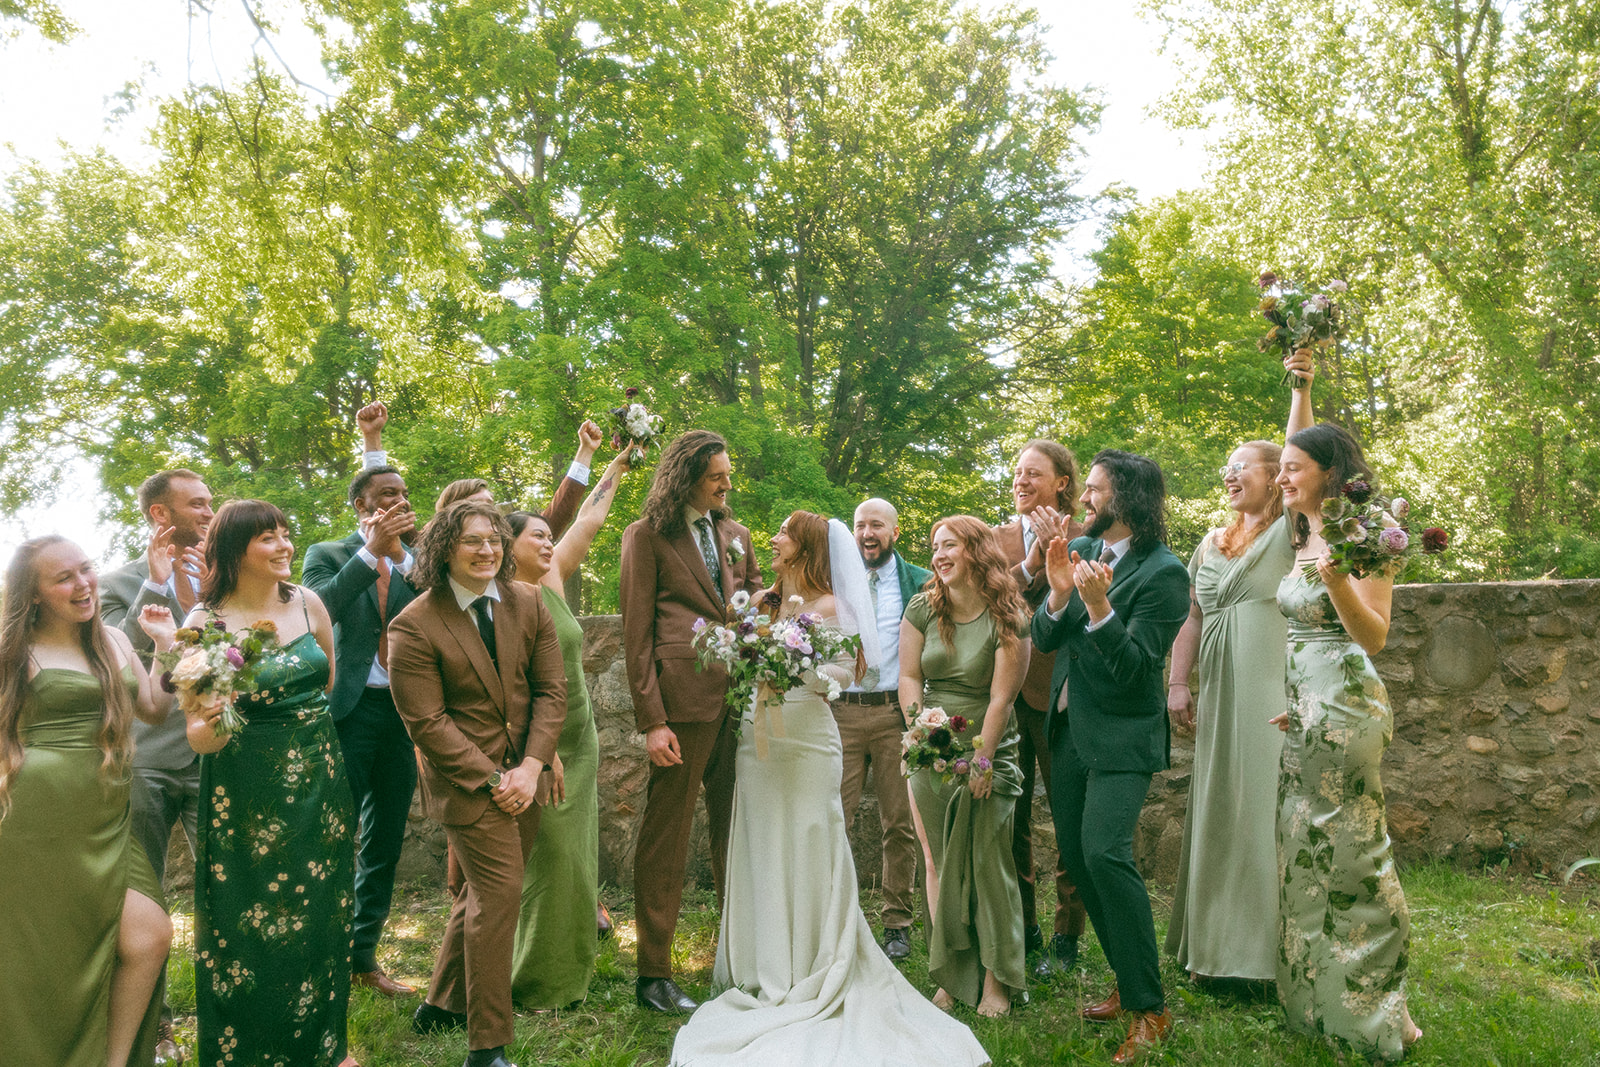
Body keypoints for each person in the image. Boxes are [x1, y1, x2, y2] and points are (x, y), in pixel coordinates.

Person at [669, 512, 988, 1067]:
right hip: (756, 738)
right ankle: (760, 960)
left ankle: (817, 957)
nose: (772, 539)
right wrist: (747, 656)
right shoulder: (760, 603)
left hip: (808, 741)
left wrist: (796, 664)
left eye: (783, 533)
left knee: (814, 838)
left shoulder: (834, 609)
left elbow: (845, 675)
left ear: (806, 548)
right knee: (760, 838)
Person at [387, 500, 567, 1067]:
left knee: (482, 892)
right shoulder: (413, 624)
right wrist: (495, 780)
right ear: (444, 549)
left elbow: (551, 692)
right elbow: (427, 723)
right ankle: (487, 1047)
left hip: (526, 773)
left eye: (493, 539)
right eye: (472, 541)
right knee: (499, 895)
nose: (487, 550)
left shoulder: (530, 601)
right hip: (467, 784)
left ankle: (440, 1003)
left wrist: (532, 767)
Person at [180, 500, 357, 1067]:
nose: (284, 546)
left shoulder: (308, 603)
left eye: (286, 534)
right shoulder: (202, 626)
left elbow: (325, 678)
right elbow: (198, 737)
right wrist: (213, 719)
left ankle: (326, 1047)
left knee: (324, 915)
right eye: (268, 539)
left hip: (320, 780)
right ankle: (249, 1052)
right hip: (246, 790)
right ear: (234, 552)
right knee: (247, 920)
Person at [1033, 450, 1190, 1065]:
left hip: (1125, 735)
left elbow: (1134, 672)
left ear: (1128, 500)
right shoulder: (1085, 555)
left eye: (1096, 491)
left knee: (1104, 851)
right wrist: (1057, 591)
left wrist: (1099, 608)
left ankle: (1150, 1008)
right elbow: (1045, 638)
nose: (1086, 500)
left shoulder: (1165, 574)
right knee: (1076, 854)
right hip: (1069, 729)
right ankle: (1127, 978)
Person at [1271, 422, 1422, 1061]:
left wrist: (1336, 581)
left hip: (1350, 712)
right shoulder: (1300, 534)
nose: (1280, 477)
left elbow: (1373, 636)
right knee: (1302, 852)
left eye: (1292, 468)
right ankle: (1316, 1006)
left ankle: (1384, 1014)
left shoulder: (1367, 534)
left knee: (1353, 856)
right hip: (1304, 714)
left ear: (1330, 475)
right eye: (1278, 467)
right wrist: (1296, 706)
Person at [1165, 354, 1315, 984]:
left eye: (1241, 466)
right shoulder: (1208, 542)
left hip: (1266, 687)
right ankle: (1212, 950)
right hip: (1219, 693)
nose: (1229, 475)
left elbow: (1297, 455)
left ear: (1274, 477)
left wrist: (1300, 388)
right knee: (1218, 804)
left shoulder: (1292, 533)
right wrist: (1178, 682)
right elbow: (1193, 618)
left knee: (1260, 803)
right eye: (1224, 468)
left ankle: (1259, 960)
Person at [0, 536, 174, 1067]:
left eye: (87, 570)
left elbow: (152, 709)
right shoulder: (15, 651)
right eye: (65, 578)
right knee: (51, 954)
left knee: (148, 935)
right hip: (36, 819)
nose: (84, 585)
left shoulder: (114, 643)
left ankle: (113, 1060)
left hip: (106, 815)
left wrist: (166, 645)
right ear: (33, 595)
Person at [619, 429, 764, 1013]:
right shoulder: (647, 536)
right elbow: (636, 635)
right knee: (666, 839)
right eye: (716, 476)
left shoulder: (737, 534)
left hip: (740, 705)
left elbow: (756, 600)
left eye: (728, 474)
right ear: (685, 476)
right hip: (680, 708)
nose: (727, 484)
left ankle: (736, 960)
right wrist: (653, 720)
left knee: (739, 831)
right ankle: (654, 973)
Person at [504, 444, 633, 1008]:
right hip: (544, 741)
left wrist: (616, 465)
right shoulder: (503, 600)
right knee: (548, 859)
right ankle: (535, 981)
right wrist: (541, 750)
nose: (547, 540)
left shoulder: (553, 575)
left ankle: (572, 969)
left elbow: (591, 517)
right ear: (507, 547)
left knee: (578, 857)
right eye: (535, 535)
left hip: (584, 737)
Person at [98, 467, 214, 1064]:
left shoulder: (227, 581)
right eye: (196, 504)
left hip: (212, 763)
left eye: (210, 502)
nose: (208, 511)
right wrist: (157, 585)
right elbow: (113, 659)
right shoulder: (117, 582)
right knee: (147, 900)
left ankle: (228, 1012)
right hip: (144, 765)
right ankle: (157, 1024)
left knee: (221, 885)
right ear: (160, 517)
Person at [302, 461, 423, 998]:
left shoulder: (416, 561)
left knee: (385, 839)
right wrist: (370, 552)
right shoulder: (325, 555)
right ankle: (319, 955)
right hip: (345, 710)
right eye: (384, 494)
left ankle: (363, 956)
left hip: (401, 712)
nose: (397, 501)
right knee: (332, 835)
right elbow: (318, 609)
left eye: (402, 493)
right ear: (361, 506)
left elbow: (438, 614)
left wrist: (404, 560)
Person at [901, 515, 1030, 1017]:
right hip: (929, 746)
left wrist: (981, 759)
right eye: (935, 547)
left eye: (949, 545)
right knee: (936, 861)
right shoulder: (923, 607)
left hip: (988, 746)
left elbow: (1002, 698)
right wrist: (919, 728)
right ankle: (953, 975)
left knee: (988, 864)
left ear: (976, 550)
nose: (938, 556)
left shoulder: (1008, 615)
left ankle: (998, 980)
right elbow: (909, 676)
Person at [992, 439, 1089, 978]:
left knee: (1069, 814)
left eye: (1035, 473)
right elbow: (990, 603)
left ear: (1061, 483)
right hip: (1006, 695)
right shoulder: (997, 538)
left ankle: (1066, 934)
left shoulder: (1088, 538)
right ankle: (1024, 927)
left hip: (1065, 695)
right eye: (1017, 474)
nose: (1022, 481)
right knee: (1012, 817)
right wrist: (1030, 561)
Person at [834, 497, 931, 961]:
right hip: (843, 714)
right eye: (859, 525)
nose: (866, 533)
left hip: (895, 714)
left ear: (894, 531)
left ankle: (898, 925)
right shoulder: (834, 575)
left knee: (900, 824)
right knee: (836, 818)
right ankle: (838, 920)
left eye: (876, 525)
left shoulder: (919, 582)